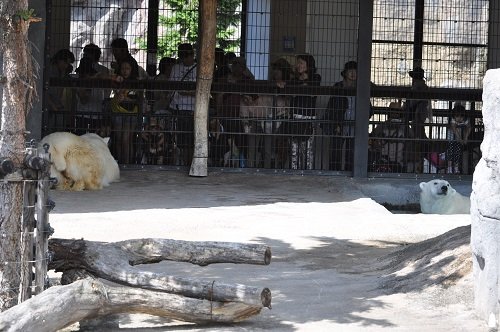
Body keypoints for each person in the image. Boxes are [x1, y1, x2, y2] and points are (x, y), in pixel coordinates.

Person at [284, 53, 321, 170]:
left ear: (308, 65)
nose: (298, 65)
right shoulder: (293, 80)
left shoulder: (316, 77)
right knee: (294, 150)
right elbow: (288, 90)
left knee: (307, 150)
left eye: (301, 63)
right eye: (297, 63)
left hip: (308, 118)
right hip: (294, 116)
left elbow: (312, 89)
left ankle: (308, 174)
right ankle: (294, 174)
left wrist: (302, 83)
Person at [168, 43, 197, 166]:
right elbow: (171, 86)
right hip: (178, 108)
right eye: (183, 56)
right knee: (182, 141)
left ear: (192, 55)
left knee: (191, 141)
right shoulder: (176, 68)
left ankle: (191, 164)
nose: (185, 59)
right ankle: (185, 164)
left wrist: (188, 93)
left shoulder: (199, 68)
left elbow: (203, 89)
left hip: (192, 108)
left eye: (187, 56)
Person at [110, 58, 144, 163]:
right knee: (119, 140)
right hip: (117, 111)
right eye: (123, 68)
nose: (125, 71)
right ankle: (120, 163)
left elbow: (139, 99)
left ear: (132, 69)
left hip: (131, 114)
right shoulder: (116, 80)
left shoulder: (137, 82)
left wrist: (126, 99)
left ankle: (128, 163)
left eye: (127, 68)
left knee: (126, 140)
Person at [326, 61, 358, 171]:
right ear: (345, 73)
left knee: (352, 152)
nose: (353, 73)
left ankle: (349, 174)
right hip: (339, 124)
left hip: (355, 124)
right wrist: (336, 123)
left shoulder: (361, 87)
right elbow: (332, 106)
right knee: (335, 152)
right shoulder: (338, 86)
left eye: (355, 71)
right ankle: (334, 174)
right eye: (350, 71)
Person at [403, 66, 432, 173]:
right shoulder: (424, 86)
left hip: (418, 114)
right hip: (420, 114)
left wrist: (406, 105)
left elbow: (413, 101)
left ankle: (423, 158)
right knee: (419, 135)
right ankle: (423, 157)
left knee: (417, 137)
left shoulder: (418, 86)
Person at [369, 101, 412, 172]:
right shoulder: (381, 126)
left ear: (400, 113)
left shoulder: (405, 127)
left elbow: (412, 141)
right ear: (389, 113)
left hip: (399, 162)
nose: (395, 113)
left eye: (397, 112)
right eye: (393, 111)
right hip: (383, 161)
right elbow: (372, 138)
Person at [74, 57, 107, 135]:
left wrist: (92, 79)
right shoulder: (78, 80)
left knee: (93, 139)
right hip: (82, 114)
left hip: (96, 114)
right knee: (81, 138)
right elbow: (84, 100)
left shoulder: (99, 77)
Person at [46, 49, 76, 130]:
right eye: (65, 63)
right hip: (48, 107)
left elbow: (59, 94)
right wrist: (52, 105)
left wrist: (63, 75)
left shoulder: (61, 72)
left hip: (56, 106)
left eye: (68, 64)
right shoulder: (49, 70)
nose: (66, 66)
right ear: (59, 60)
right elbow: (43, 92)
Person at [446, 104, 471, 174]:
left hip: (460, 138)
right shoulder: (453, 120)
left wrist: (465, 138)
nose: (459, 118)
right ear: (454, 116)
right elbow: (454, 129)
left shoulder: (466, 120)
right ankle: (450, 168)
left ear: (464, 115)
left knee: (458, 152)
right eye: (457, 116)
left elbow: (469, 128)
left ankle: (456, 168)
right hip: (451, 138)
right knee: (450, 152)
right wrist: (460, 139)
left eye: (461, 116)